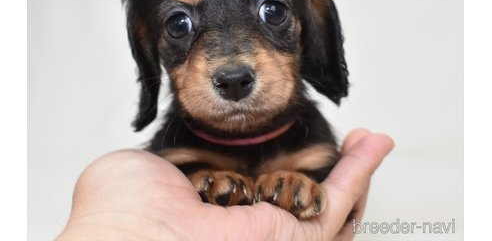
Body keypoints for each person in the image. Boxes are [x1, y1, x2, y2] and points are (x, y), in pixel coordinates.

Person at [57, 129, 393, 240]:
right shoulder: (172, 153)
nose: (231, 65)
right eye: (180, 24)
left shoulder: (309, 145)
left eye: (272, 12)